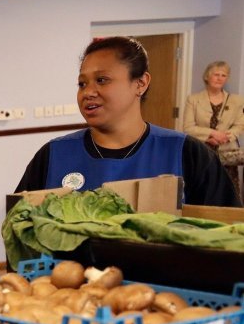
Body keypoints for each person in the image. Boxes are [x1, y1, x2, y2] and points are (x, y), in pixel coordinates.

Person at [16, 37, 241, 207]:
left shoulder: (187, 153)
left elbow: (227, 235)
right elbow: (19, 231)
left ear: (141, 83)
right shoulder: (53, 155)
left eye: (102, 80)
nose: (88, 92)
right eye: (82, 84)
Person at [181, 60, 244, 198]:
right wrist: (212, 134)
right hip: (201, 153)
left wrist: (226, 136)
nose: (220, 78)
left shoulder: (237, 101)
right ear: (207, 76)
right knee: (203, 193)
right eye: (216, 74)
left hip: (227, 155)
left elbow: (240, 125)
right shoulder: (193, 99)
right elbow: (188, 127)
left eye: (224, 75)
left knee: (229, 196)